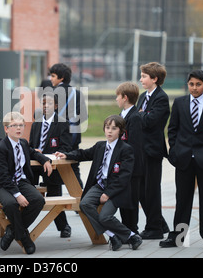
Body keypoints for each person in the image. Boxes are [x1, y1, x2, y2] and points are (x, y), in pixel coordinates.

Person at [160, 70, 203, 250]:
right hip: (183, 160)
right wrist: (174, 151)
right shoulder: (180, 103)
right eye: (191, 84)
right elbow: (172, 129)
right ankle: (178, 237)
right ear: (188, 85)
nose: (194, 88)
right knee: (182, 200)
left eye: (198, 84)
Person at [55, 115, 142, 251]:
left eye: (114, 128)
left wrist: (108, 194)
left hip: (116, 189)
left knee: (105, 217)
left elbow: (124, 177)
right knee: (84, 204)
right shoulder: (100, 146)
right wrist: (67, 155)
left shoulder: (126, 149)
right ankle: (113, 235)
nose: (110, 131)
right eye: (107, 128)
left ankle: (131, 236)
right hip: (100, 185)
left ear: (120, 131)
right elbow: (83, 154)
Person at [0, 112, 52, 254]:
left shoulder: (22, 143)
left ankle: (12, 230)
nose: (19, 128)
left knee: (38, 200)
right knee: (11, 203)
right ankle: (24, 238)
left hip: (21, 181)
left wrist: (45, 159)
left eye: (21, 125)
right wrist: (17, 195)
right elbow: (2, 176)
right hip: (3, 184)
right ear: (6, 129)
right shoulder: (0, 148)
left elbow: (33, 152)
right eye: (14, 125)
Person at [29, 92, 73, 238]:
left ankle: (64, 226)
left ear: (55, 105)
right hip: (35, 165)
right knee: (25, 189)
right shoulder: (36, 124)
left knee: (55, 195)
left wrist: (52, 155)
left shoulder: (62, 123)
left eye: (48, 103)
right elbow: (30, 146)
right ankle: (22, 223)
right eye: (43, 103)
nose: (45, 106)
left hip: (52, 166)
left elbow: (66, 147)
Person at [136, 62, 170, 239]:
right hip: (140, 150)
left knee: (151, 190)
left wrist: (140, 115)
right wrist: (142, 114)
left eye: (144, 76)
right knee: (141, 190)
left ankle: (154, 229)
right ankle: (159, 222)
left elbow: (150, 122)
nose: (140, 79)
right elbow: (137, 118)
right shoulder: (143, 97)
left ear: (154, 79)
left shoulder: (161, 98)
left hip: (152, 151)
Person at [49, 63, 87, 188]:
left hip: (57, 138)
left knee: (54, 171)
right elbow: (83, 116)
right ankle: (80, 201)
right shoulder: (77, 93)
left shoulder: (52, 93)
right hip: (73, 137)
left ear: (62, 77)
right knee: (74, 169)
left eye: (53, 76)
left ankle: (58, 205)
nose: (51, 79)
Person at [115, 81, 144, 234]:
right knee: (123, 200)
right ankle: (126, 229)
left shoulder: (135, 117)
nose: (116, 100)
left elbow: (135, 146)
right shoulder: (122, 116)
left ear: (125, 97)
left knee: (132, 201)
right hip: (123, 166)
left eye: (117, 96)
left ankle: (133, 231)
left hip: (132, 168)